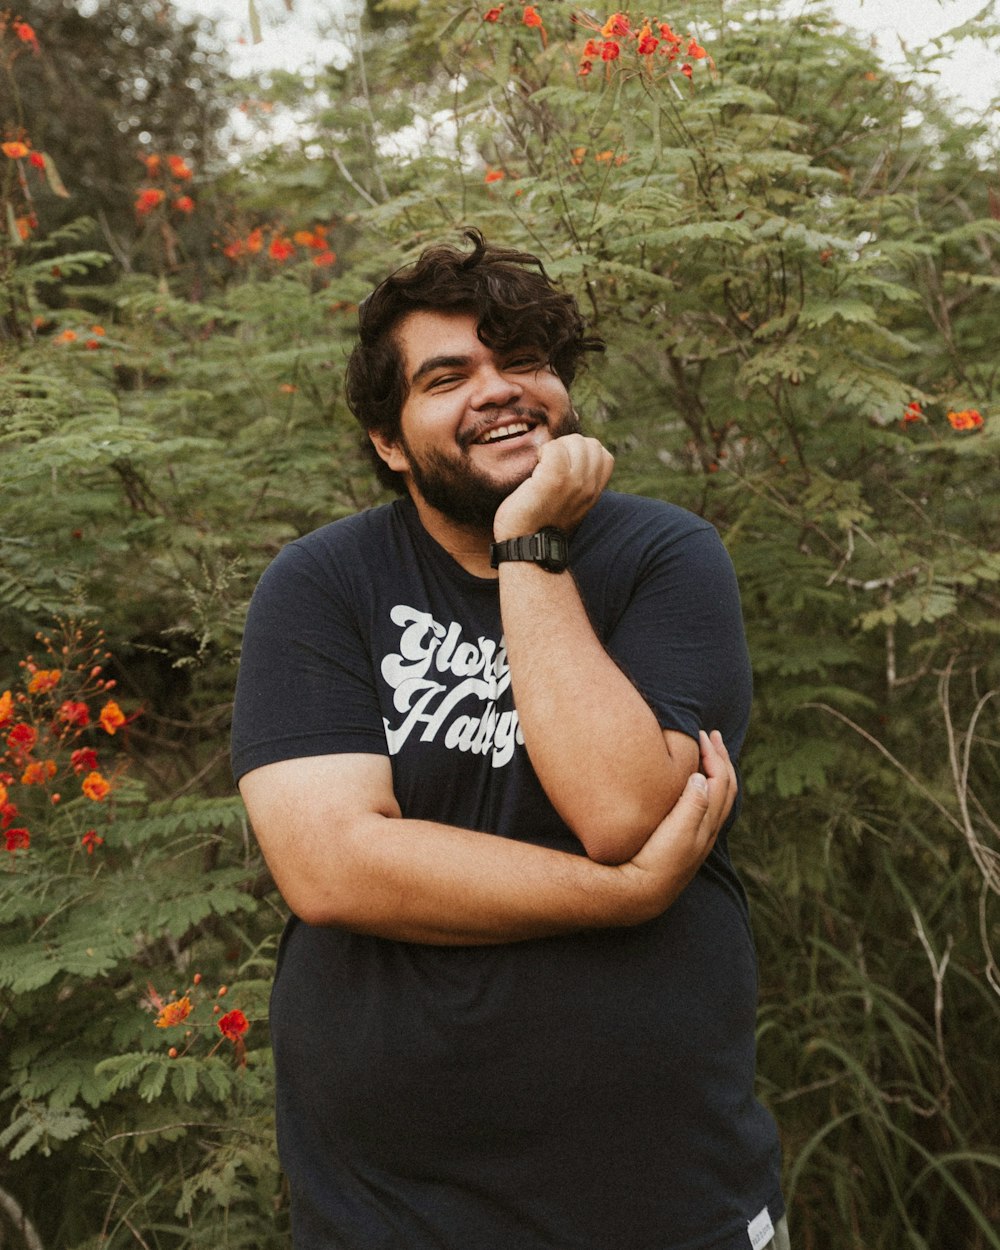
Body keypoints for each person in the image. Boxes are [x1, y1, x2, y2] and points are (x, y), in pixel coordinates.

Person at [231, 230, 787, 1250]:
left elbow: (620, 809)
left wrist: (528, 541)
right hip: (388, 1212)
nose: (496, 388)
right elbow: (330, 862)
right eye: (447, 375)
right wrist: (620, 895)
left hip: (664, 1200)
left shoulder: (665, 554)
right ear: (389, 443)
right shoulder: (321, 583)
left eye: (522, 360)